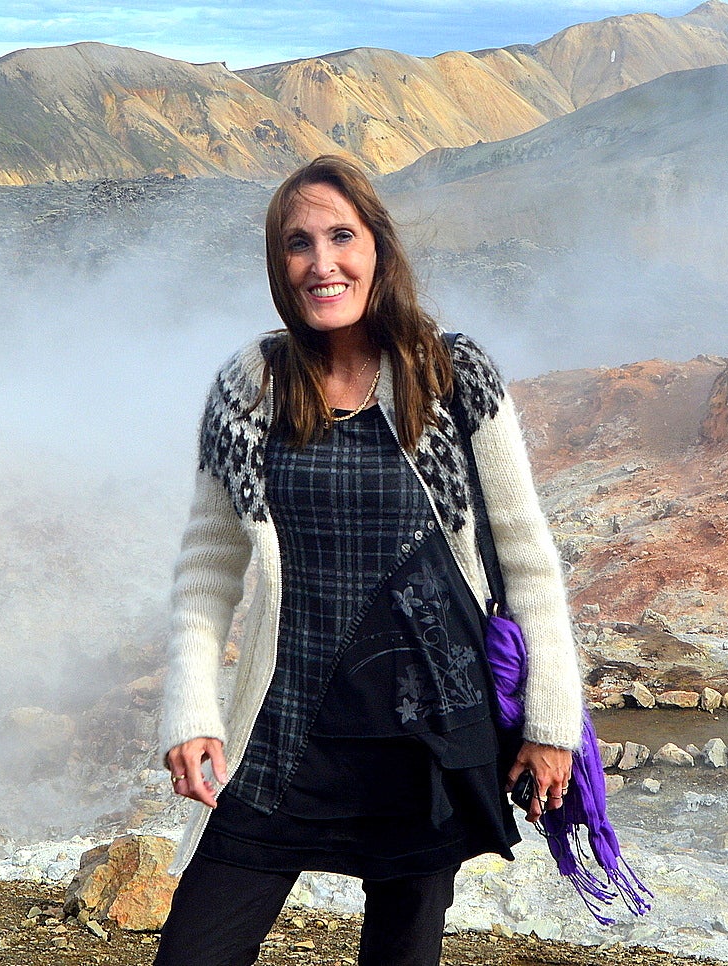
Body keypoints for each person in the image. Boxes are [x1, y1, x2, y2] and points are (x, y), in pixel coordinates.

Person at [154, 154, 585, 966]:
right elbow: (207, 568)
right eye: (298, 243)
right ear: (278, 265)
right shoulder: (249, 385)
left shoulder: (451, 373)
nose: (323, 263)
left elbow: (527, 558)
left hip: (427, 741)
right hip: (283, 738)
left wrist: (552, 723)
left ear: (377, 248)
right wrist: (192, 710)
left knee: (402, 953)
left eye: (341, 236)